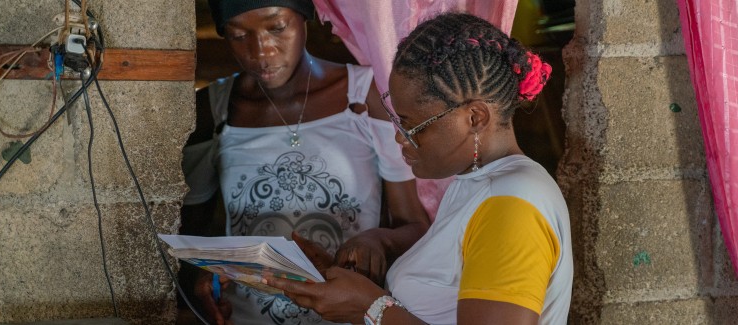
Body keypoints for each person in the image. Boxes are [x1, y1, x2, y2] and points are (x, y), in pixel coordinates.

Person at [265, 12, 574, 325]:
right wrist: (345, 281)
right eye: (399, 120)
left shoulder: (510, 206)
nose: (400, 136)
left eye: (414, 125)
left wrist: (369, 307)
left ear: (475, 118)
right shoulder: (479, 186)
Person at [180, 0, 430, 324]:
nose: (261, 52)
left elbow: (415, 225)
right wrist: (205, 276)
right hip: (245, 316)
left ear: (304, 18)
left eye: (277, 27)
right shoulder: (213, 111)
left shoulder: (365, 97)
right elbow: (189, 233)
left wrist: (377, 239)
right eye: (239, 35)